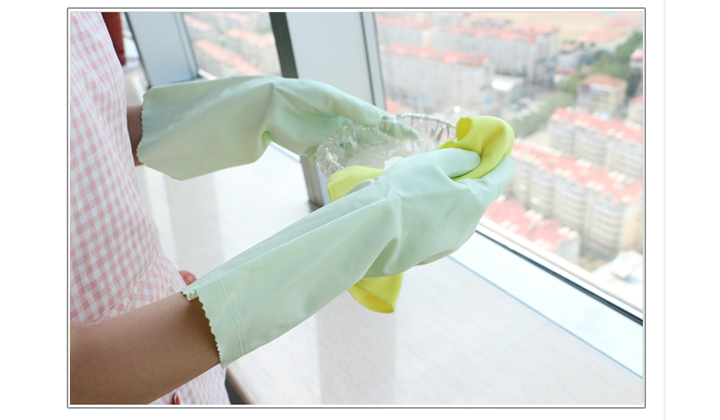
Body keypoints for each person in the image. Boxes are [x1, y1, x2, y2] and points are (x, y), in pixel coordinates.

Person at [69, 11, 515, 405]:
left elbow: (83, 131)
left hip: (171, 333)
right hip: (138, 363)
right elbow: (73, 377)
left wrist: (256, 109)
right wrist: (359, 234)